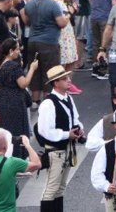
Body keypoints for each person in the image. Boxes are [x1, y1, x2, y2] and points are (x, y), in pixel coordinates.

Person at [35, 65, 85, 212]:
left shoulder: (68, 98)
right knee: (51, 189)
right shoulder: (48, 104)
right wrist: (66, 134)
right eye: (65, 79)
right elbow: (45, 131)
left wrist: (79, 128)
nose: (69, 80)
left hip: (67, 150)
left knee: (61, 188)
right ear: (56, 83)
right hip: (55, 152)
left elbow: (75, 118)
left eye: (68, 77)